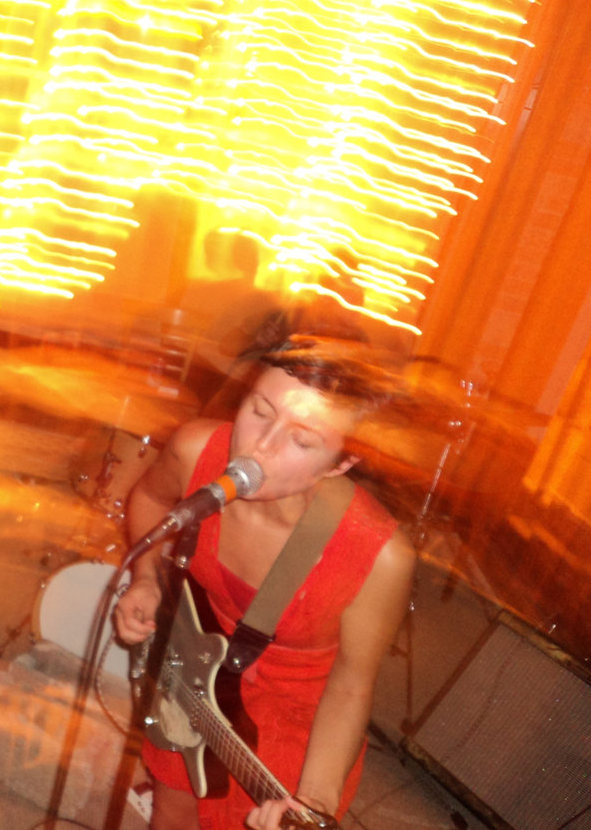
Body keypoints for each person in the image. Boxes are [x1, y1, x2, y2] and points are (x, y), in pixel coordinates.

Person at [114, 331, 415, 830]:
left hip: (294, 724)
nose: (260, 447)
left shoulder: (379, 555)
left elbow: (350, 687)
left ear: (342, 463)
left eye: (302, 440)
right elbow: (149, 499)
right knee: (172, 814)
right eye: (259, 410)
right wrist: (144, 577)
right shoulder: (196, 450)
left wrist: (313, 801)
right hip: (192, 668)